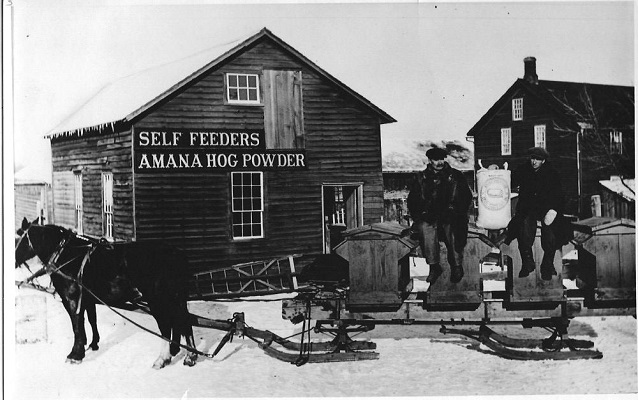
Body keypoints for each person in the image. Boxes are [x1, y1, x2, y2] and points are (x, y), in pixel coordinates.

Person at [407, 147, 473, 284]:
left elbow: (466, 197)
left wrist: (456, 210)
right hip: (430, 215)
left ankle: (456, 266)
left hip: (451, 214)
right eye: (436, 159)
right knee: (426, 228)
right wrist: (421, 214)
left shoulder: (455, 176)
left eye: (442, 159)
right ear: (430, 161)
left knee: (453, 228)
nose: (439, 162)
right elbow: (413, 201)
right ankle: (434, 266)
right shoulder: (421, 178)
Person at [506, 147, 570, 280]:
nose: (534, 162)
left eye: (538, 159)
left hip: (546, 207)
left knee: (551, 232)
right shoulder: (524, 170)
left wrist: (553, 210)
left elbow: (559, 195)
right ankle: (527, 262)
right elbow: (510, 180)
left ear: (544, 160)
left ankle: (547, 265)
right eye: (532, 158)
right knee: (522, 226)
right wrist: (501, 173)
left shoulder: (552, 173)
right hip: (527, 207)